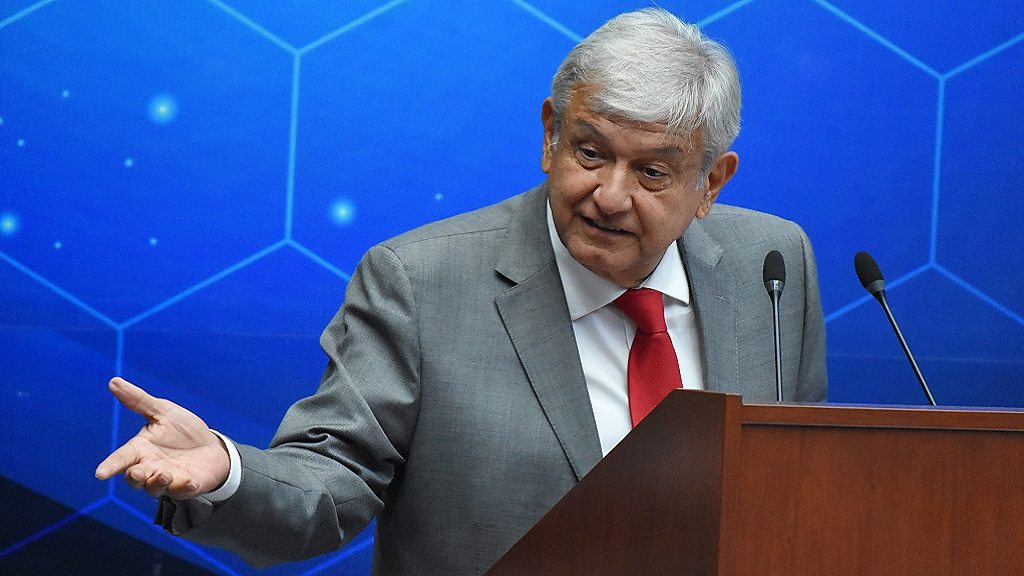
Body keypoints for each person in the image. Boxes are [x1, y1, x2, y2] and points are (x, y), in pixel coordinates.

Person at [96, 8, 826, 575]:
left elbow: (801, 480)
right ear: (550, 135)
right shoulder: (419, 282)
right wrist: (227, 471)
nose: (609, 195)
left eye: (652, 173)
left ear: (712, 182)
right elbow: (334, 482)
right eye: (590, 152)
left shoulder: (771, 264)